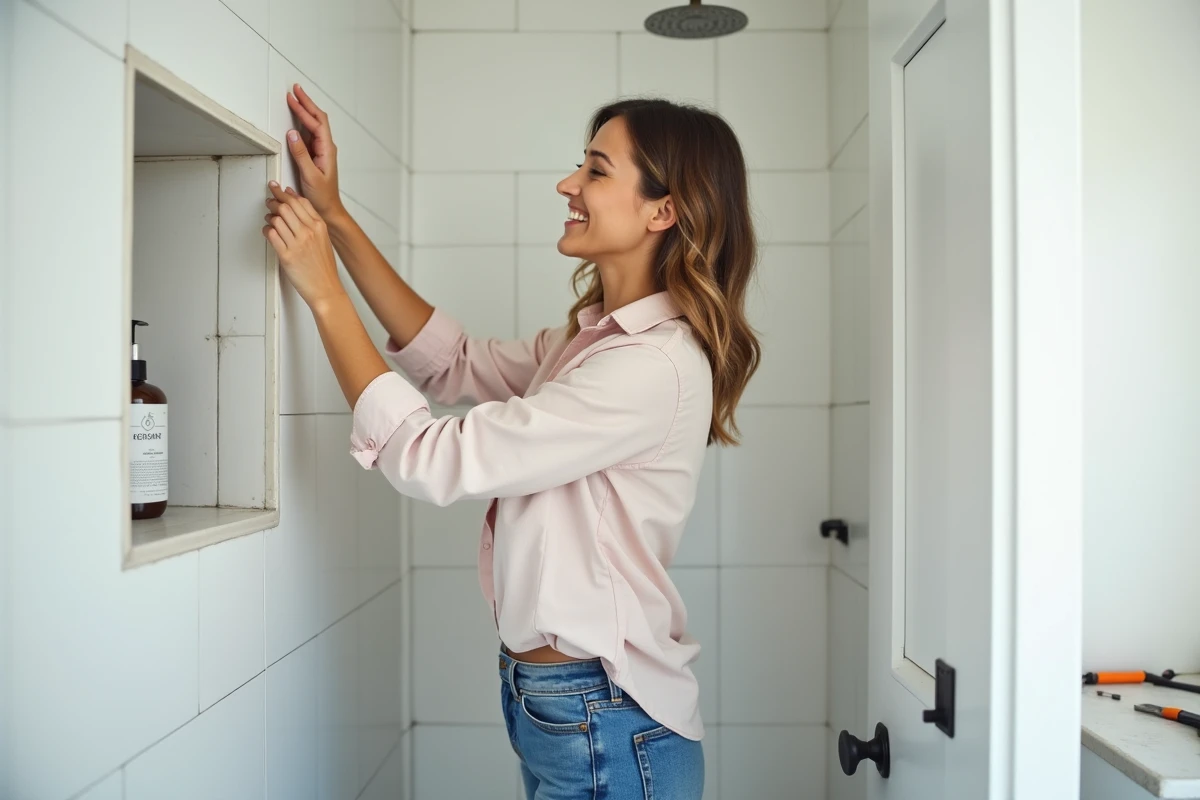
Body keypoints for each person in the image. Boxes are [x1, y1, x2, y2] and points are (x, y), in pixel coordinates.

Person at [263, 83, 761, 799]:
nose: (569, 184)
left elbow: (431, 458)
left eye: (595, 169)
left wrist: (324, 295)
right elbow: (454, 360)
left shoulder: (648, 366)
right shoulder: (593, 340)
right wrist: (335, 217)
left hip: (606, 718)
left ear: (664, 209)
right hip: (567, 705)